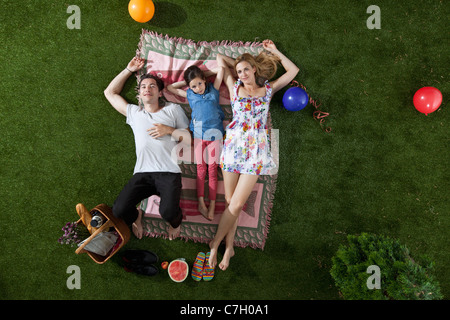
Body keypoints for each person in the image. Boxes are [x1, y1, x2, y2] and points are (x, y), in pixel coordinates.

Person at [209, 40, 299, 270]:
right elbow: (220, 57)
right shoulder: (233, 87)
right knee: (231, 202)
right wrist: (238, 63)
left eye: (246, 69)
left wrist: (275, 51)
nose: (242, 73)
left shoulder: (268, 90)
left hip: (256, 151)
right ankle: (229, 248)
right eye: (239, 71)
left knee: (237, 202)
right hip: (233, 147)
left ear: (255, 70)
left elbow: (293, 71)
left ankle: (214, 244)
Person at [104, 56, 191, 240]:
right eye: (143, 87)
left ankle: (176, 222)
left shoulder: (172, 110)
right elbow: (110, 93)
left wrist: (168, 130)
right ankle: (137, 216)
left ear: (160, 93)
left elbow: (189, 138)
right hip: (142, 173)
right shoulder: (135, 113)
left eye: (152, 86)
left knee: (168, 213)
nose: (147, 89)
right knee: (119, 210)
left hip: (168, 172)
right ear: (140, 94)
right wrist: (128, 70)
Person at [167, 65, 225, 221]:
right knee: (201, 169)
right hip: (199, 134)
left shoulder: (213, 90)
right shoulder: (189, 94)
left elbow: (220, 70)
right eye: (193, 86)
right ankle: (201, 202)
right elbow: (170, 87)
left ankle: (212, 205)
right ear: (189, 86)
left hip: (215, 134)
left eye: (200, 83)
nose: (198, 88)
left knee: (212, 170)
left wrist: (203, 74)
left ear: (205, 80)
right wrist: (188, 82)